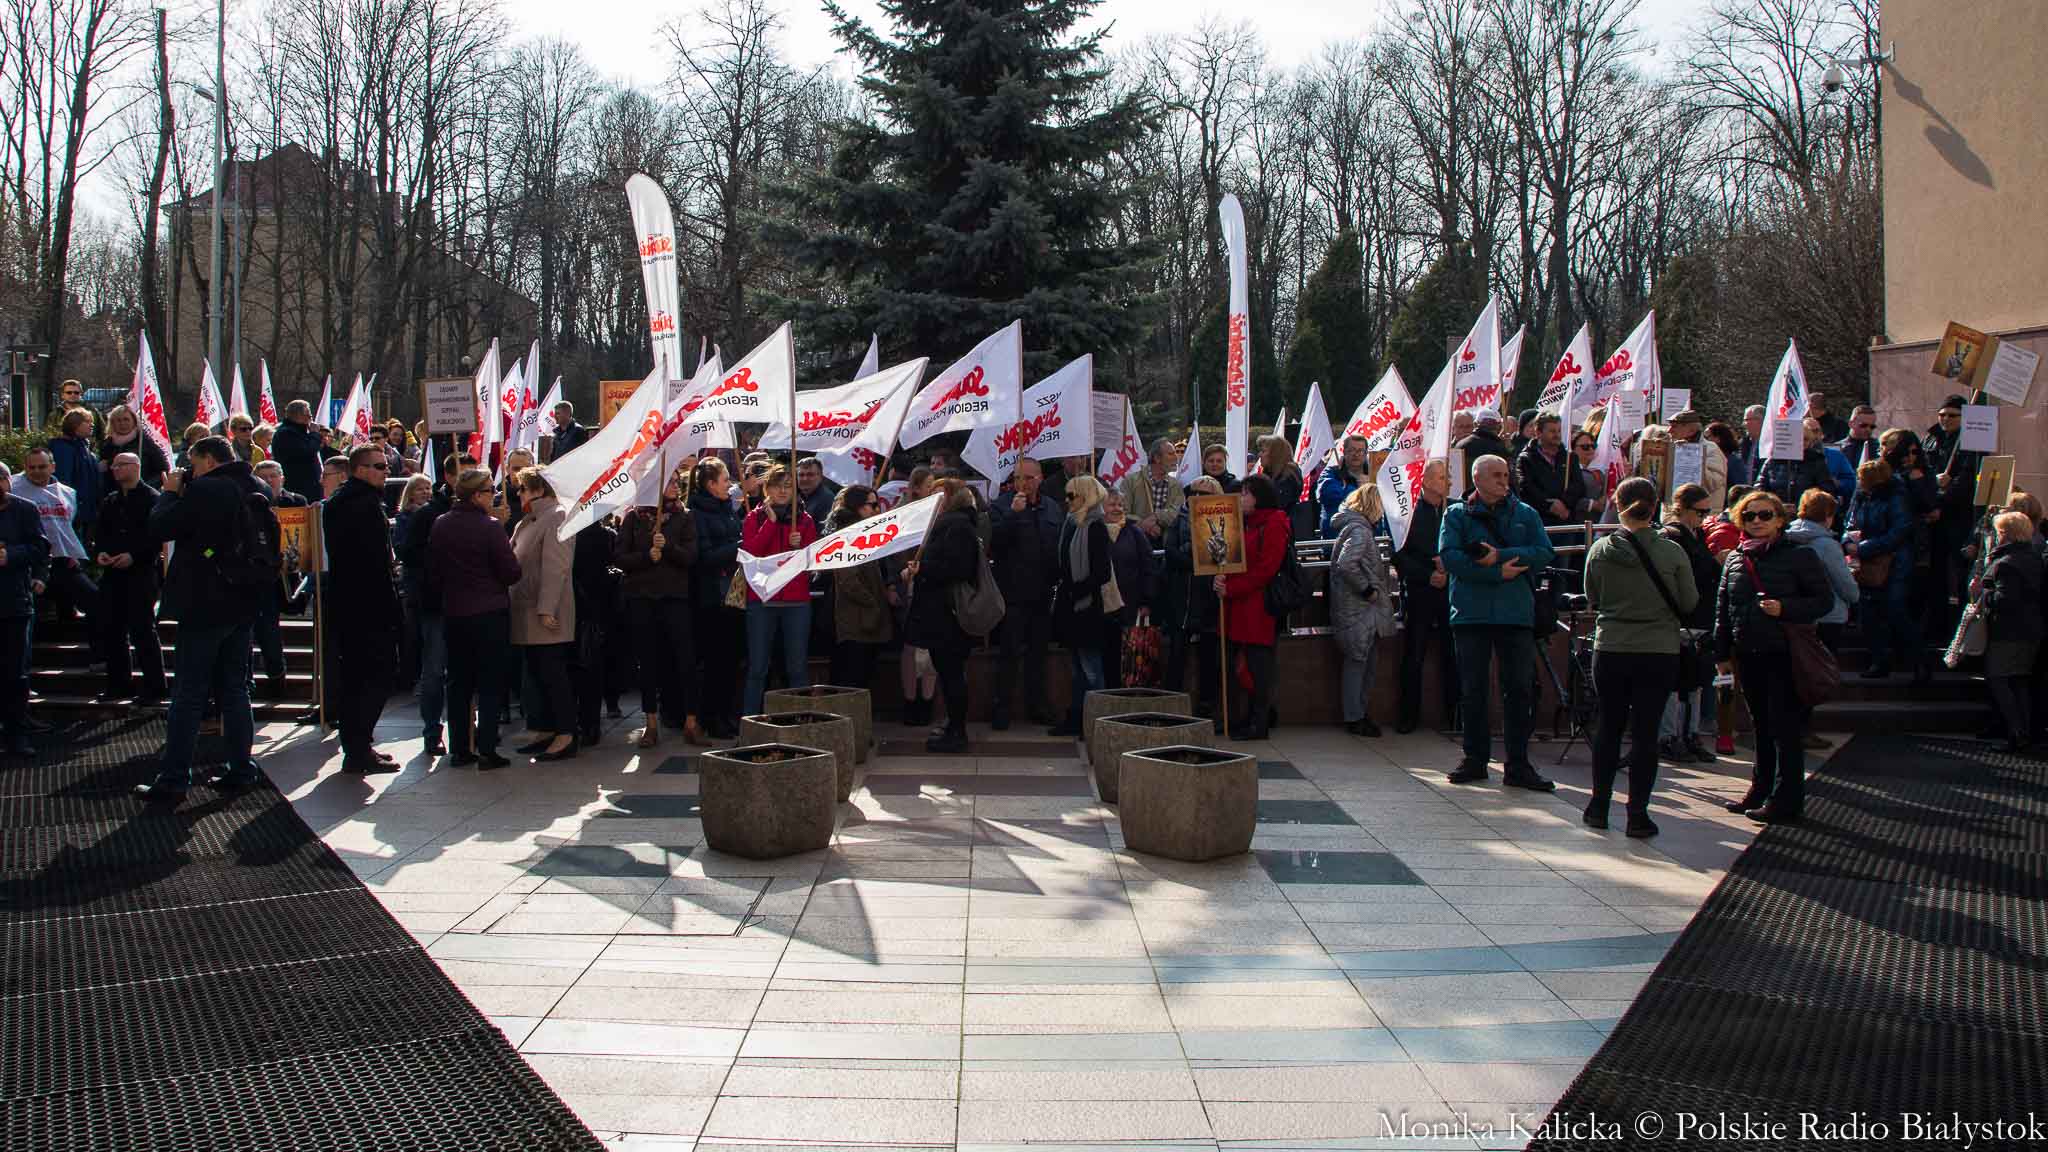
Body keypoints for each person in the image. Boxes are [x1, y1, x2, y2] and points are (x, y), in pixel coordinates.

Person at [134, 438, 263, 799]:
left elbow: (161, 526)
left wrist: (169, 493)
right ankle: (241, 768)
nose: (190, 470)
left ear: (208, 460)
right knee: (235, 689)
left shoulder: (207, 489)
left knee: (189, 692)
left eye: (192, 463)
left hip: (205, 601)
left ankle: (174, 778)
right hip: (243, 599)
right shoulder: (256, 484)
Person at [1581, 477, 1697, 837]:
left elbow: (1592, 595)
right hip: (1657, 650)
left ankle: (1598, 806)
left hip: (1611, 646)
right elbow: (1689, 601)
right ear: (1656, 505)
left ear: (1617, 505)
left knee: (1609, 727)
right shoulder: (1672, 551)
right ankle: (1637, 815)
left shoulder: (1600, 550)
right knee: (1646, 733)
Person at [1713, 490, 1832, 824]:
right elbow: (1723, 608)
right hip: (1748, 652)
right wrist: (1721, 653)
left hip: (1784, 653)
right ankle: (1760, 789)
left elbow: (1823, 601)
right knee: (1761, 726)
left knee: (1784, 728)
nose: (1757, 521)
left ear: (1780, 519)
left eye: (1765, 515)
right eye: (1750, 515)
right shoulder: (1736, 558)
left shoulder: (1799, 555)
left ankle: (1786, 799)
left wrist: (1785, 608)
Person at [1439, 454, 1557, 789]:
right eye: (1496, 475)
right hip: (1471, 614)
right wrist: (1495, 573)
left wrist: (1500, 556)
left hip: (1515, 614)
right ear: (1477, 479)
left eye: (1506, 475)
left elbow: (1543, 552)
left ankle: (1518, 764)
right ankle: (1475, 759)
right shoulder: (1457, 514)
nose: (1504, 481)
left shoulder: (1525, 513)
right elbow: (1450, 557)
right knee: (1473, 690)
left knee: (1518, 690)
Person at [432, 469, 520, 769]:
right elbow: (511, 571)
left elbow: (436, 569)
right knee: (490, 682)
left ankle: (460, 748)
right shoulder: (490, 527)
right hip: (488, 613)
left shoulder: (441, 524)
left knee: (459, 683)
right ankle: (486, 749)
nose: (493, 496)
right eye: (489, 491)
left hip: (455, 613)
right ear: (476, 495)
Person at [324, 444, 402, 772]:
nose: (387, 471)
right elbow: (372, 560)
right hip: (367, 605)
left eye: (386, 466)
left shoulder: (341, 501)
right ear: (360, 470)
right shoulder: (363, 505)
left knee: (359, 677)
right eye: (380, 466)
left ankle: (357, 746)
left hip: (350, 603)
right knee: (374, 676)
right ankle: (358, 749)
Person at [617, 474, 698, 747]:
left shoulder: (685, 517)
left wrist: (669, 547)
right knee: (647, 662)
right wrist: (645, 557)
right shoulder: (634, 518)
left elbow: (691, 556)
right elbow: (620, 557)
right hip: (642, 598)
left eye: (677, 480)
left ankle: (691, 721)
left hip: (675, 598)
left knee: (685, 659)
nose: (676, 485)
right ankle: (650, 723)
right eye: (669, 480)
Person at [507, 468, 578, 760]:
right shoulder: (529, 520)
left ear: (538, 490)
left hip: (545, 611)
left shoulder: (557, 516)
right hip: (527, 608)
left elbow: (555, 565)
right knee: (537, 673)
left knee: (553, 673)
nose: (519, 494)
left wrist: (547, 608)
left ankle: (566, 733)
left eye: (523, 488)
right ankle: (547, 728)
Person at [906, 481, 982, 752]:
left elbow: (957, 568)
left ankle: (957, 731)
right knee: (948, 671)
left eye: (937, 494)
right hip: (942, 612)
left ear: (950, 498)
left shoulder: (957, 526)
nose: (931, 498)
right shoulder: (951, 524)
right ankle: (952, 724)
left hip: (948, 613)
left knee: (952, 672)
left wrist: (922, 569)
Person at [989, 457, 1061, 729]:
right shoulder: (1001, 506)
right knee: (1008, 653)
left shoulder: (1051, 507)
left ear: (1040, 479)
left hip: (1043, 593)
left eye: (1029, 478)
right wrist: (1013, 515)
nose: (1024, 483)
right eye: (1019, 478)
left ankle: (1037, 706)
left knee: (1038, 655)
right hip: (1013, 593)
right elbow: (994, 542)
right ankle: (1002, 708)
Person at [740, 464, 818, 717]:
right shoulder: (754, 518)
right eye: (777, 485)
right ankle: (750, 720)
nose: (783, 491)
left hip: (796, 602)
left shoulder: (804, 520)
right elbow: (751, 554)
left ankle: (802, 721)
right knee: (757, 668)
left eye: (788, 486)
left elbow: (811, 564)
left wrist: (800, 546)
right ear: (767, 489)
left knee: (797, 667)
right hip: (762, 601)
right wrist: (771, 524)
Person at [1657, 483, 1724, 763]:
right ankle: (1670, 737)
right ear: (1682, 509)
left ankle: (1689, 734)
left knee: (1695, 680)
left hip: (1700, 617)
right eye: (1700, 512)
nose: (1704, 517)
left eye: (1708, 512)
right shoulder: (1672, 536)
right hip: (1683, 617)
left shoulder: (1696, 535)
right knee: (1677, 681)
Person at [93, 452, 165, 703]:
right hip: (113, 573)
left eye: (121, 465)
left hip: (141, 573)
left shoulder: (152, 498)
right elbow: (100, 533)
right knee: (112, 629)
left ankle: (155, 686)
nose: (116, 469)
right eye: (114, 466)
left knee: (142, 629)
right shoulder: (111, 500)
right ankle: (119, 684)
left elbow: (155, 536)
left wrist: (134, 555)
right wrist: (101, 552)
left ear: (135, 467)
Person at [1220, 474, 1289, 739]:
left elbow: (1266, 569)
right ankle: (1248, 718)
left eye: (1246, 493)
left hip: (1258, 608)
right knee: (1244, 665)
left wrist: (1232, 588)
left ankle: (1259, 723)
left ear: (1259, 497)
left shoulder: (1274, 522)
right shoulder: (1248, 523)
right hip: (1242, 605)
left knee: (1259, 668)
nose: (1241, 498)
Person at [1392, 458, 1458, 732]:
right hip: (1420, 593)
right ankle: (1409, 716)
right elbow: (1399, 554)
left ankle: (1456, 716)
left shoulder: (1454, 510)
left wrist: (1450, 567)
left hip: (1450, 593)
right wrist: (1426, 574)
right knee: (1414, 655)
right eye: (1442, 477)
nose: (1448, 481)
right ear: (1426, 480)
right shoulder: (1407, 513)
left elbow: (1466, 547)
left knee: (1453, 654)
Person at [1328, 483, 1395, 736]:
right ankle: (1355, 716)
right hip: (1359, 609)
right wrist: (1368, 590)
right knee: (1359, 663)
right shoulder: (1360, 531)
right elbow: (1347, 564)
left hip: (1355, 609)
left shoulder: (1354, 527)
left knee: (1363, 662)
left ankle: (1358, 713)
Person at [1050, 475, 1113, 737]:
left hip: (1086, 606)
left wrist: (1078, 590)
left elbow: (1102, 572)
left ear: (1085, 496)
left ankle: (1097, 722)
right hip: (1071, 605)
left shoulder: (1095, 527)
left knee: (1091, 669)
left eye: (1071, 495)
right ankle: (1077, 718)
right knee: (1078, 668)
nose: (1067, 501)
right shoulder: (1072, 524)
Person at [1973, 512, 2040, 752]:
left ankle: (2017, 732)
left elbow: (2005, 600)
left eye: (1999, 532)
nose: (1996, 535)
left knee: (1998, 678)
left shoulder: (2006, 564)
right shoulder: (2033, 558)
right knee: (2019, 681)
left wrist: (1984, 593)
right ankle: (2023, 733)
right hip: (2031, 630)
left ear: (2008, 534)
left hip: (2008, 631)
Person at [1844, 458, 1917, 679]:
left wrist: (1863, 548)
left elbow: (1900, 531)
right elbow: (1849, 522)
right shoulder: (1861, 497)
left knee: (1895, 610)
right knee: (1868, 614)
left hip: (1894, 562)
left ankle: (1917, 660)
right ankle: (1879, 661)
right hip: (1868, 562)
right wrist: (1848, 542)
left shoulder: (1896, 497)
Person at [19, 447, 98, 637]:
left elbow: (69, 527)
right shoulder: (14, 488)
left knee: (95, 600)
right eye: (32, 467)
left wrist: (72, 553)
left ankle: (99, 652)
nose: (36, 471)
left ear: (52, 467)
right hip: (27, 560)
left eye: (42, 467)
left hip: (61, 559)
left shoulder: (67, 493)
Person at [1923, 395, 1981, 640]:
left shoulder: (1972, 440)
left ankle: (1958, 626)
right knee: (1935, 572)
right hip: (1933, 516)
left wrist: (1943, 499)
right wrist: (1931, 494)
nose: (1945, 419)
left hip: (1958, 516)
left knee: (1958, 570)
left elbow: (1967, 480)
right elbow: (1922, 470)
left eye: (1952, 415)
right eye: (1942, 414)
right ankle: (1935, 624)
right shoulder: (1931, 438)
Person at [0, 465, 46, 753]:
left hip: (14, 603)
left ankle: (16, 734)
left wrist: (10, 555)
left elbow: (41, 549)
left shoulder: (25, 510)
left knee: (15, 673)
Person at [827, 486, 891, 693]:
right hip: (856, 620)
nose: (877, 509)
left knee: (863, 678)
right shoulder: (849, 535)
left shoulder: (868, 532)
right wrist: (873, 602)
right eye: (872, 505)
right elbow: (848, 580)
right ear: (857, 507)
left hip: (865, 620)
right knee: (852, 680)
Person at [1171, 476, 1225, 717]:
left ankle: (1207, 705)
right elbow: (1171, 552)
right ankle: (1172, 704)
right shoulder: (1180, 518)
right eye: (1194, 493)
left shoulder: (1223, 520)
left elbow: (1223, 554)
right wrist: (1195, 558)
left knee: (1209, 656)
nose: (1198, 499)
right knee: (1177, 654)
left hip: (1209, 595)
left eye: (1205, 495)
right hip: (1184, 595)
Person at [1785, 490, 1858, 655]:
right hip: (1829, 615)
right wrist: (1854, 595)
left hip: (1794, 614)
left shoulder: (1787, 538)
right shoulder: (1827, 545)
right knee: (1824, 665)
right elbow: (1845, 586)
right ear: (1828, 516)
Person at [1102, 490, 1153, 685]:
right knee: (1107, 659)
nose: (1117, 509)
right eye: (1112, 505)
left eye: (1120, 505)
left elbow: (1148, 567)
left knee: (1129, 661)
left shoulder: (1134, 532)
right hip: (1104, 608)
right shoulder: (1096, 531)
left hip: (1130, 606)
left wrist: (1146, 601)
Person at [1515, 414, 1588, 528]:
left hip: (1567, 520)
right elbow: (1526, 489)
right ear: (1538, 432)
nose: (1557, 435)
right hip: (1540, 522)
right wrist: (1549, 505)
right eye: (1552, 431)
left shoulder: (1570, 458)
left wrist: (1564, 503)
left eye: (1559, 431)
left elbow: (1578, 486)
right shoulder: (1526, 459)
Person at [48, 408, 102, 541]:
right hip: (74, 512)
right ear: (74, 425)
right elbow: (63, 481)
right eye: (87, 421)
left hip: (87, 511)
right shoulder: (63, 449)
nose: (92, 425)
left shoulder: (85, 449)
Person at [1119, 439, 1185, 547]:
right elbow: (1121, 512)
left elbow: (1178, 513)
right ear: (1157, 458)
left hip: (1166, 546)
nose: (1176, 458)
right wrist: (1143, 524)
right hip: (1136, 544)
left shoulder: (1176, 485)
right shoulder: (1131, 481)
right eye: (1171, 454)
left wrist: (1157, 516)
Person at [1756, 417, 1832, 508]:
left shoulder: (1816, 460)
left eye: (1806, 439)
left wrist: (1802, 507)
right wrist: (1777, 506)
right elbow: (1759, 489)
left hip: (1805, 512)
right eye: (1798, 438)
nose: (1802, 442)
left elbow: (1826, 492)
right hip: (1775, 512)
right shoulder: (1772, 461)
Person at [1661, 411, 1728, 512]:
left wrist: (1689, 456)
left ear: (1691, 430)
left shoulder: (1711, 449)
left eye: (1674, 426)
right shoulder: (1671, 449)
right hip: (1673, 512)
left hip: (1701, 514)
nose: (1669, 430)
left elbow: (1714, 482)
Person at [1317, 435, 1372, 537]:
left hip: (1369, 536)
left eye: (1360, 451)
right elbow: (1329, 496)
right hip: (1337, 537)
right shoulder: (1331, 473)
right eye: (1352, 450)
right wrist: (1360, 490)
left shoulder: (1374, 474)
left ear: (1366, 454)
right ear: (1344, 452)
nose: (1356, 454)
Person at [273, 399, 325, 502]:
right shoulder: (286, 433)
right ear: (298, 416)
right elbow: (308, 450)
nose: (311, 418)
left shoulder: (298, 432)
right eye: (308, 415)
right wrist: (314, 434)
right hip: (299, 486)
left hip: (308, 486)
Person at [1255, 434, 1304, 536]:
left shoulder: (1289, 475)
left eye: (1263, 451)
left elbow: (1277, 504)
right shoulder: (1268, 474)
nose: (1259, 455)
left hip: (1280, 531)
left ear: (1275, 454)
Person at [1455, 408, 1512, 489]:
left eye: (1468, 426)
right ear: (1498, 426)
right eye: (1461, 426)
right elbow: (1509, 479)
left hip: (1465, 494)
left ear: (1475, 424)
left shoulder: (1461, 445)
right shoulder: (1499, 448)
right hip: (1492, 493)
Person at [1570, 427, 1607, 523]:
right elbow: (1568, 497)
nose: (1590, 449)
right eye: (1585, 447)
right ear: (1573, 449)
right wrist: (1592, 504)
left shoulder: (1599, 470)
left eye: (1593, 446)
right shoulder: (1568, 471)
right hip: (1577, 524)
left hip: (1597, 523)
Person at [1727, 405, 1765, 489]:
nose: (1744, 424)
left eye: (1747, 420)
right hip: (1743, 492)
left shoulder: (1772, 445)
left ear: (1760, 420)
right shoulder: (1742, 444)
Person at [1836, 405, 1883, 469]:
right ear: (1851, 424)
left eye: (1872, 427)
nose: (1868, 429)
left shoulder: (1879, 448)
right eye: (1863, 425)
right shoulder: (1838, 448)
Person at [794, 457, 836, 526]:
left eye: (810, 475)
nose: (805, 479)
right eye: (801, 475)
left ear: (820, 476)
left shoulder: (827, 499)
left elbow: (823, 530)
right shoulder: (794, 496)